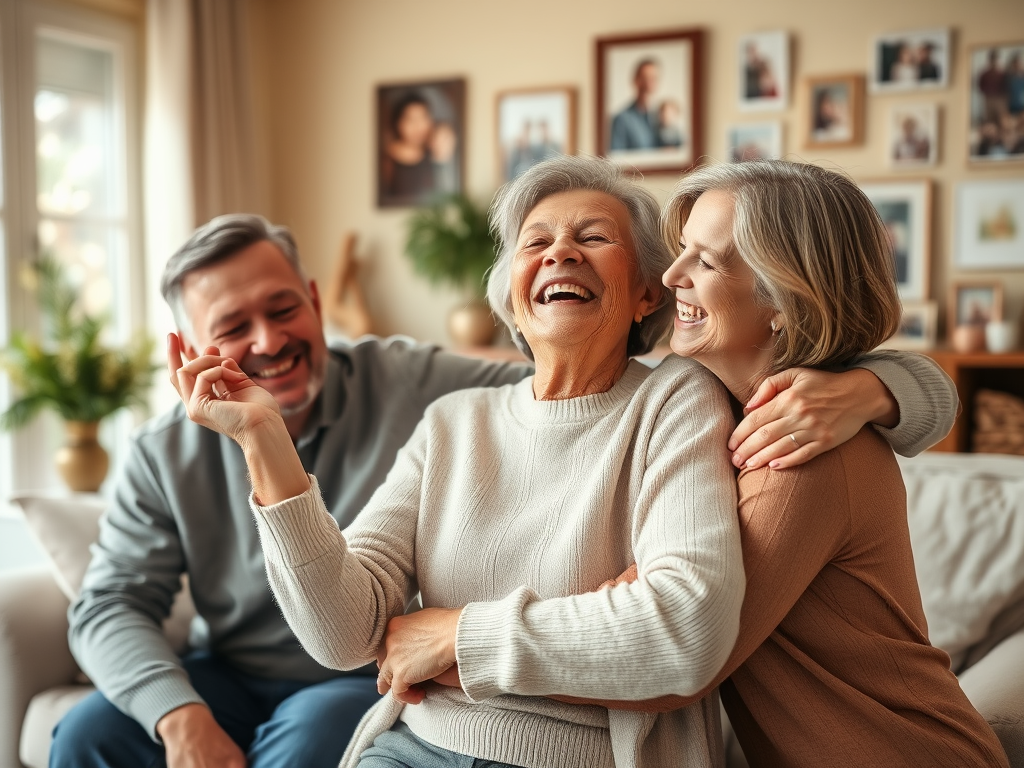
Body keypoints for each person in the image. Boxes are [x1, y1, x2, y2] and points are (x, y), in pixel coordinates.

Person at [56, 206, 953, 768]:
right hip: (368, 683)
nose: (265, 340)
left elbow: (681, 640)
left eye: (282, 307)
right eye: (536, 239)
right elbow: (128, 608)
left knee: (314, 730)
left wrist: (889, 385)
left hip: (390, 687)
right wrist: (260, 437)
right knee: (88, 731)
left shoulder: (691, 402)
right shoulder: (455, 418)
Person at [555, 160, 1010, 767]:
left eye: (706, 261)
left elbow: (666, 665)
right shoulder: (712, 405)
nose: (670, 276)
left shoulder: (798, 455)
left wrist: (457, 648)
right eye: (681, 250)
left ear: (787, 304)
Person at [382, 91, 457, 200]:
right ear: (398, 123)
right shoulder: (387, 159)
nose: (418, 126)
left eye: (423, 117)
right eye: (410, 119)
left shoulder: (436, 152)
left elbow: (446, 194)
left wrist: (441, 159)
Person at [609, 58, 661, 150]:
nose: (649, 83)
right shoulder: (622, 119)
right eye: (645, 78)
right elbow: (616, 158)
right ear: (636, 80)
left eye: (653, 78)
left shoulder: (662, 117)